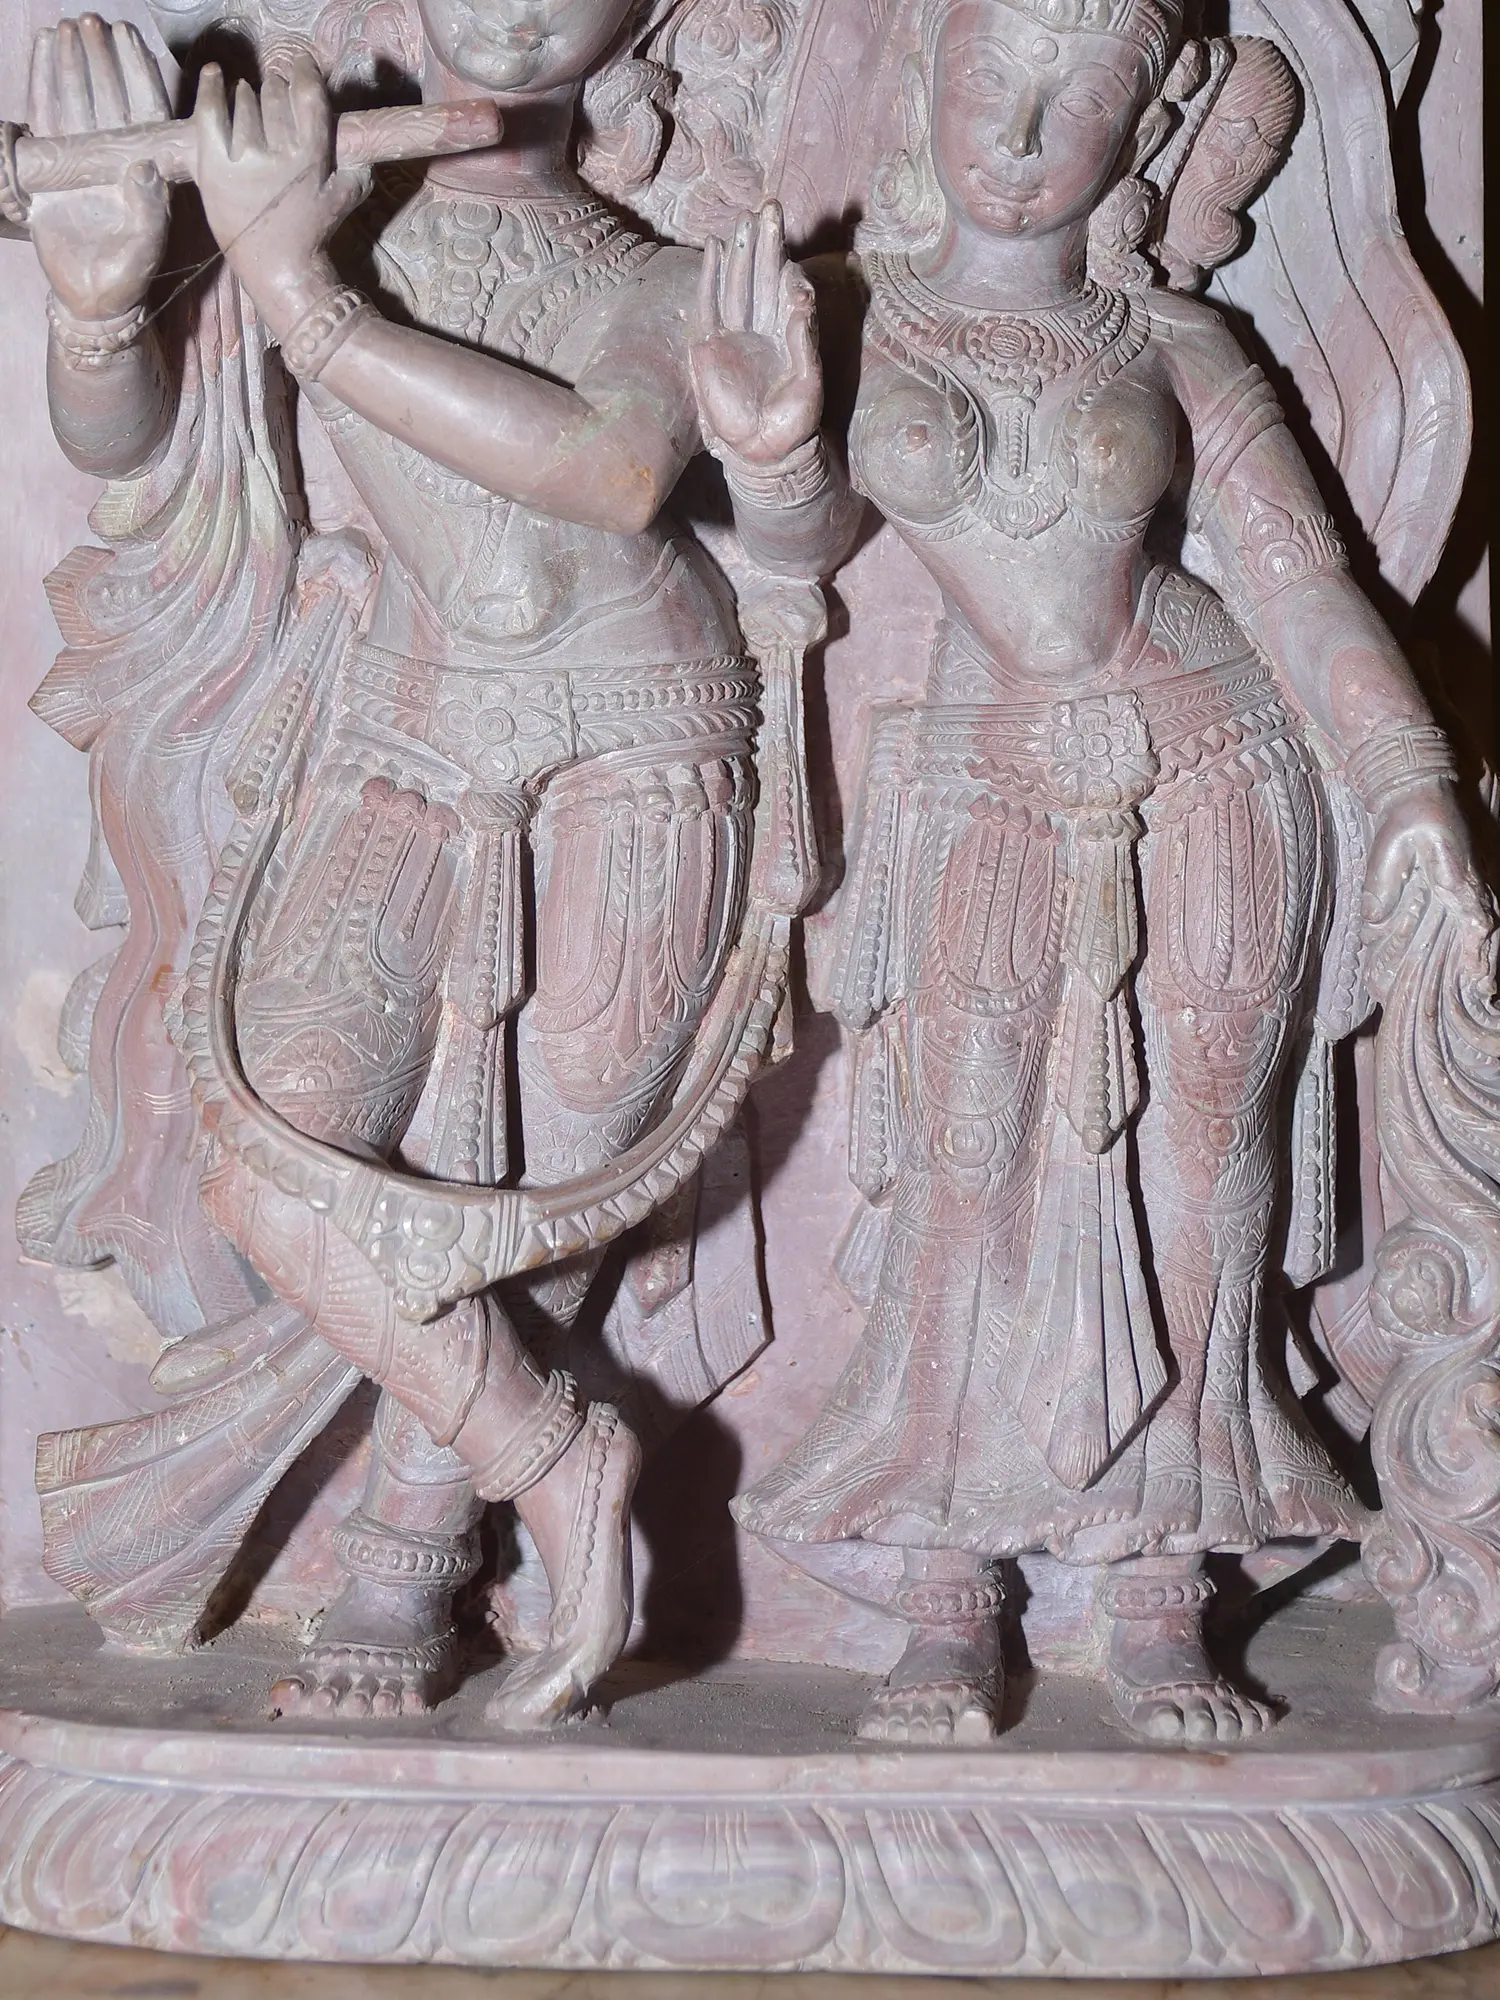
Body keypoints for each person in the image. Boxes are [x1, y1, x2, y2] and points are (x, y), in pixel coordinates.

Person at [27, 2, 852, 1727]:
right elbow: (132, 441)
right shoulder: (318, 198)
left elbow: (614, 471)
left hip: (641, 735)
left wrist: (299, 291)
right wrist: (102, 295)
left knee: (540, 1191)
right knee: (276, 1145)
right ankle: (544, 1452)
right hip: (399, 735)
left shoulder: (655, 272)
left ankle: (411, 1553)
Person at [733, 0, 1488, 1745]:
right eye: (992, 75)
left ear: (1150, 123)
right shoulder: (846, 313)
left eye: (1077, 93)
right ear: (924, 74)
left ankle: (1162, 1587)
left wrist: (1409, 787)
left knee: (1203, 1167)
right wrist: (771, 457)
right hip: (982, 775)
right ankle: (950, 1587)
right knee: (963, 1161)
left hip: (1215, 762)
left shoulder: (1175, 338)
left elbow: (1299, 584)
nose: (1020, 131)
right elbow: (801, 538)